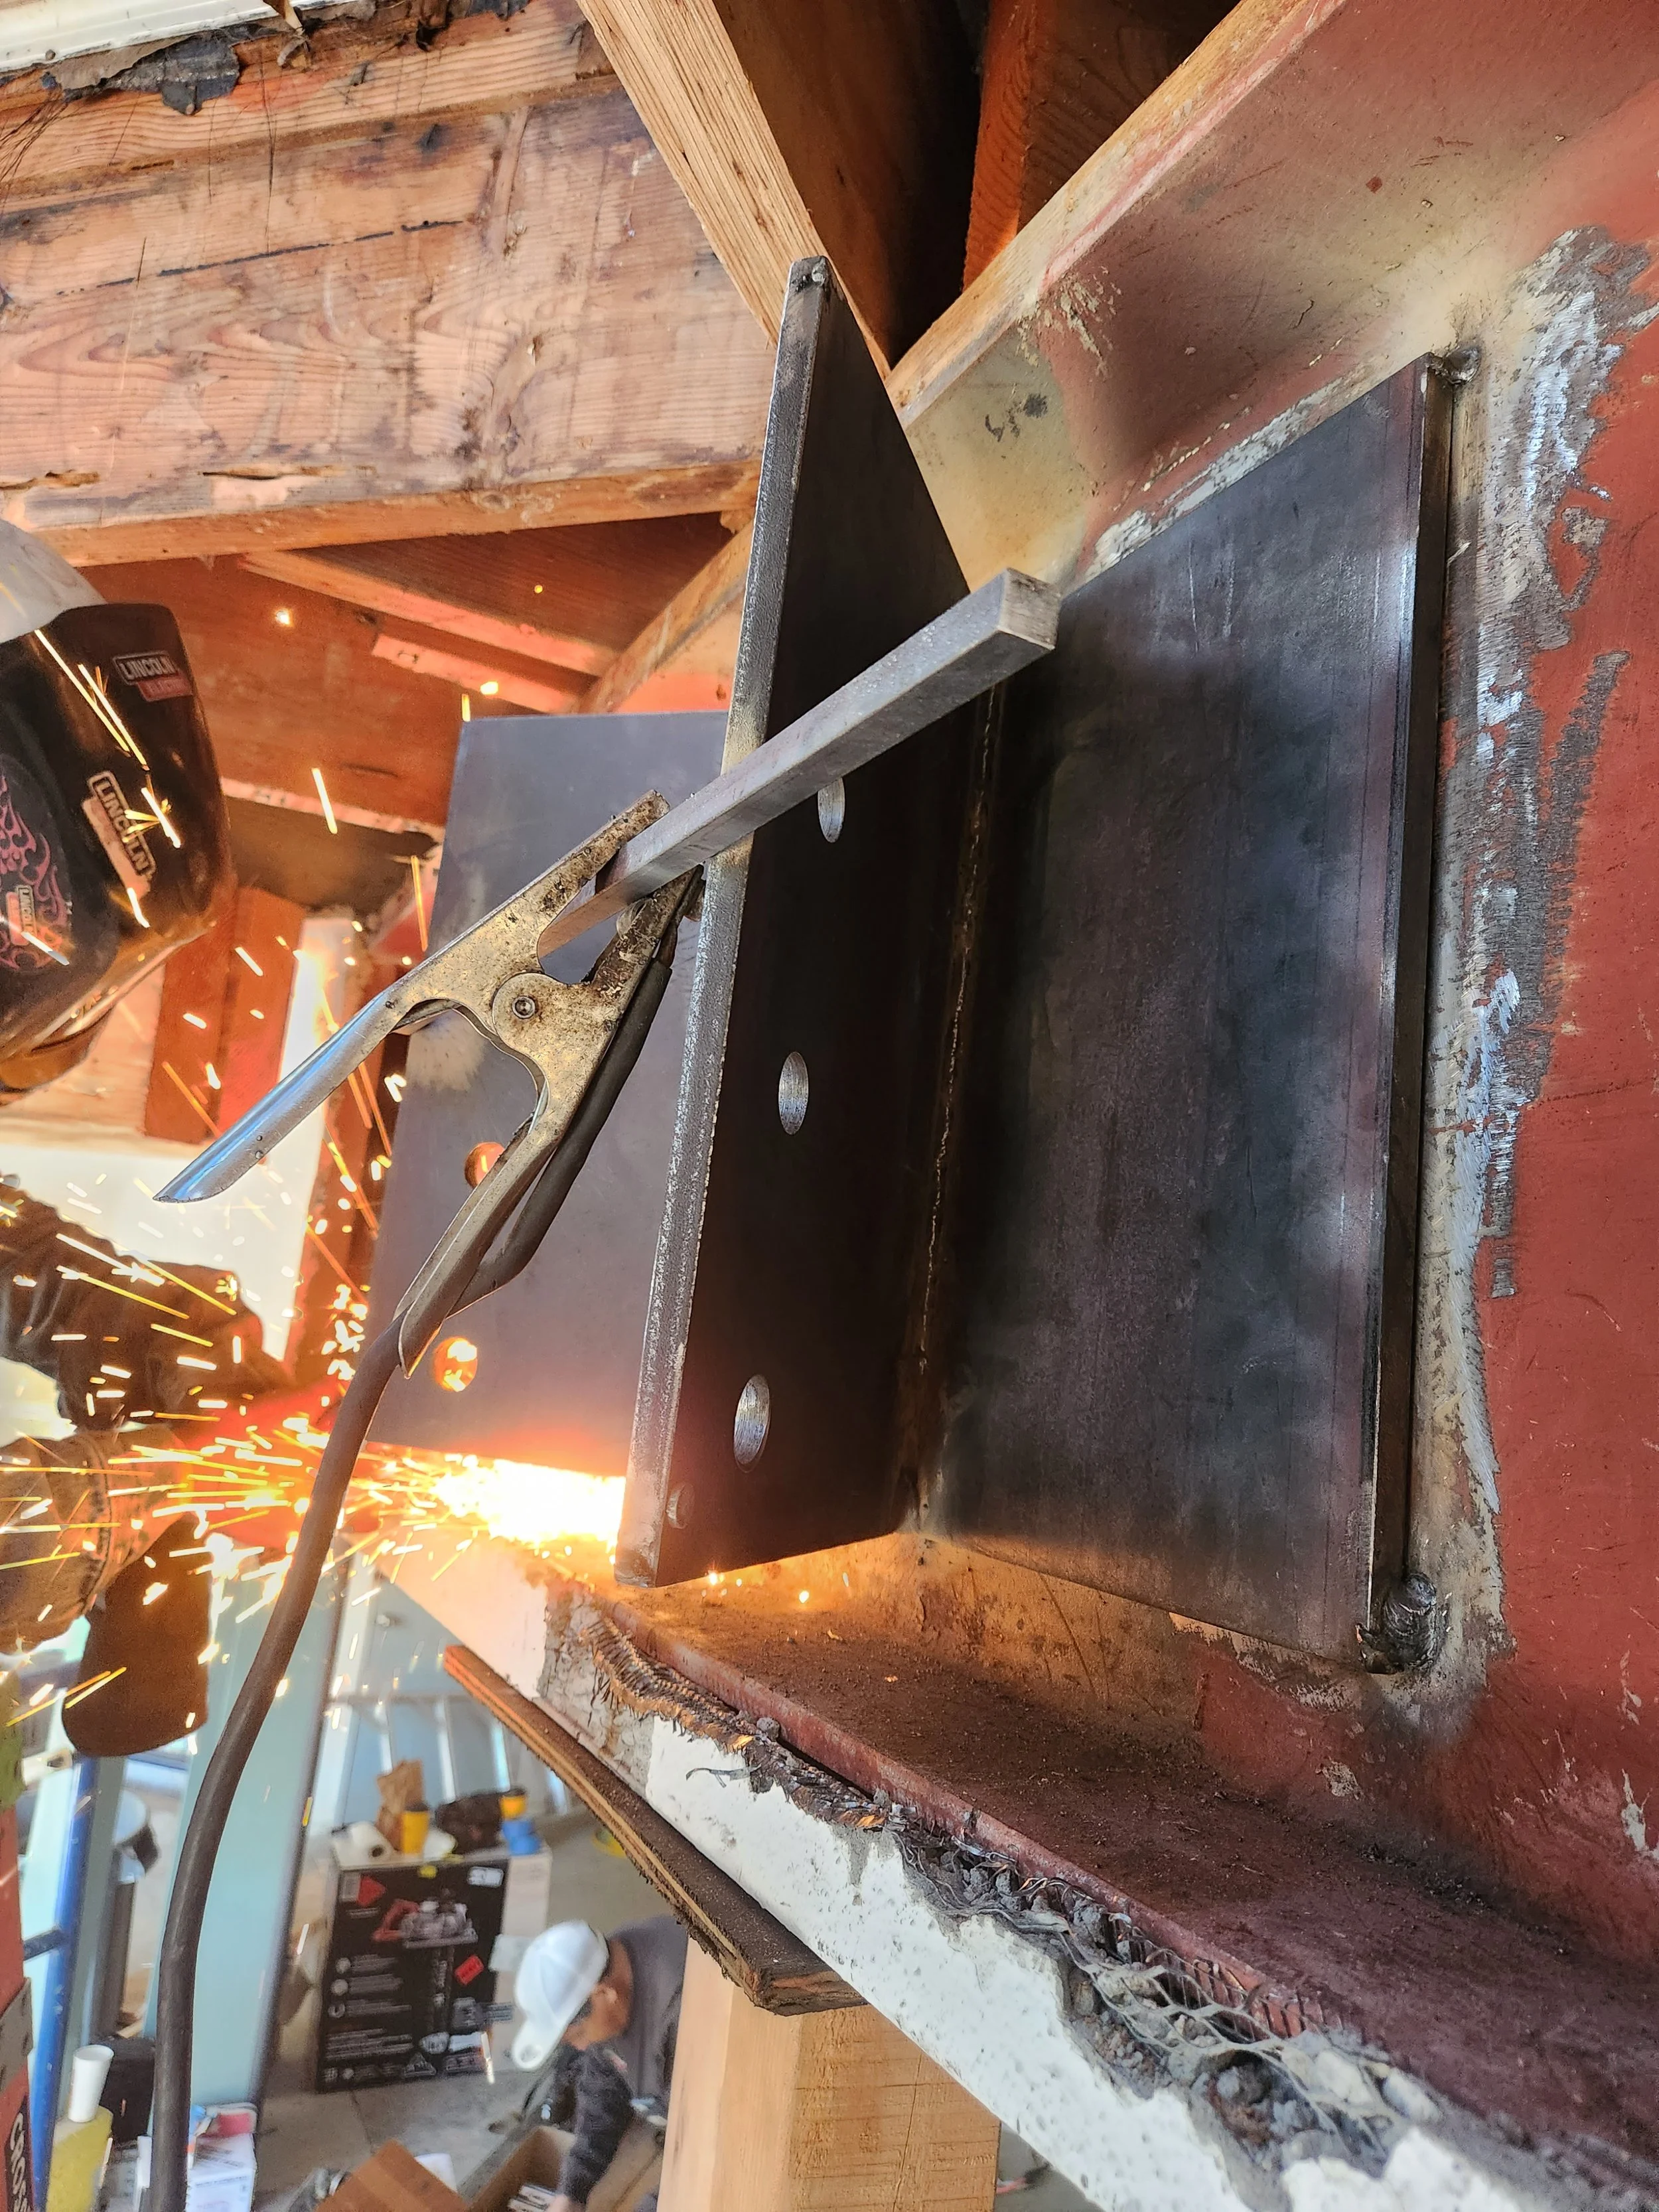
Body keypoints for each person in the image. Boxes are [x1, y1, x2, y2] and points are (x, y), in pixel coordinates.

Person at [525, 1918, 688, 2212]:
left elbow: (710, 2153)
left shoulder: (683, 2012)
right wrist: (571, 2193)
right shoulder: (612, 1964)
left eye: (580, 2034)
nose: (581, 2046)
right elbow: (604, 2088)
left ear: (603, 1995)